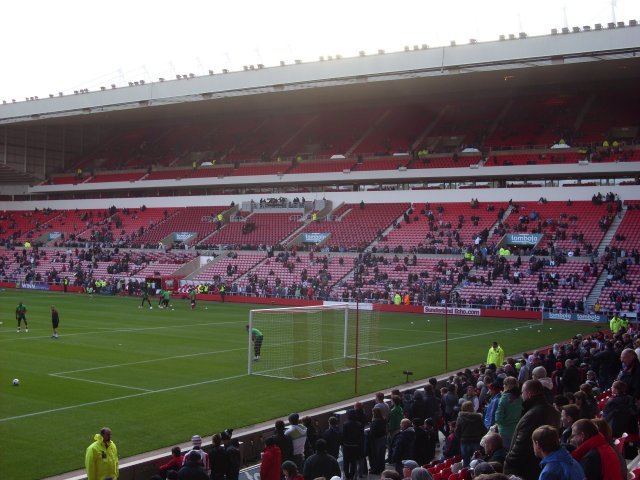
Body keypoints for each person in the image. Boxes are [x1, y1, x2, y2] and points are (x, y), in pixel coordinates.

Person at [503, 379, 561, 480]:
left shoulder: (533, 414)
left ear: (529, 394)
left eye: (522, 392)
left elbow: (522, 444)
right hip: (541, 463)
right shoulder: (552, 410)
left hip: (528, 468)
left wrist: (508, 462)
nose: (521, 395)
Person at [455, 400, 487, 467]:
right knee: (476, 462)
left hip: (464, 442)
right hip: (476, 441)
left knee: (466, 461)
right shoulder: (478, 417)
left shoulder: (460, 418)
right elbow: (483, 430)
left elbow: (457, 431)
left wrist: (460, 438)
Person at [494, 376, 522, 450]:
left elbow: (498, 419)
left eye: (504, 384)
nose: (503, 386)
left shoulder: (503, 398)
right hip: (517, 430)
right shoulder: (520, 398)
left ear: (508, 386)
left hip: (505, 432)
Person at [342, 408, 365, 480]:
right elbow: (361, 436)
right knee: (353, 461)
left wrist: (343, 444)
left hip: (347, 446)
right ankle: (351, 476)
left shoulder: (345, 424)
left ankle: (347, 475)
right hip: (355, 446)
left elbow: (344, 435)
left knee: (346, 461)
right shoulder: (359, 424)